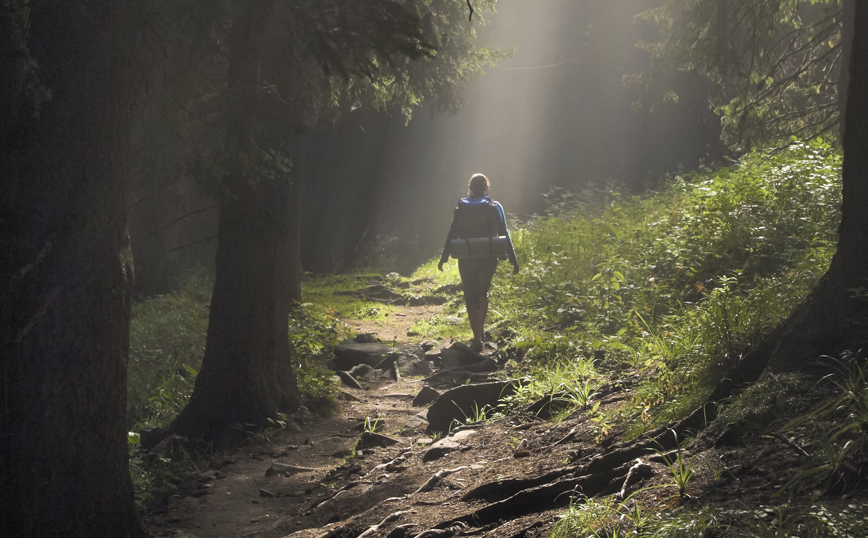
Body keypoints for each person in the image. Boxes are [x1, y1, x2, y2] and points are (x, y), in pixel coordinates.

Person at [438, 173, 519, 352]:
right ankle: (480, 333)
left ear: (470, 188)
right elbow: (504, 233)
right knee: (483, 292)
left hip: (466, 255)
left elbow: (452, 233)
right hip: (488, 255)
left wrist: (444, 258)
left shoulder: (461, 207)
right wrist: (513, 260)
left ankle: (476, 337)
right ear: (486, 187)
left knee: (470, 295)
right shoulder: (494, 206)